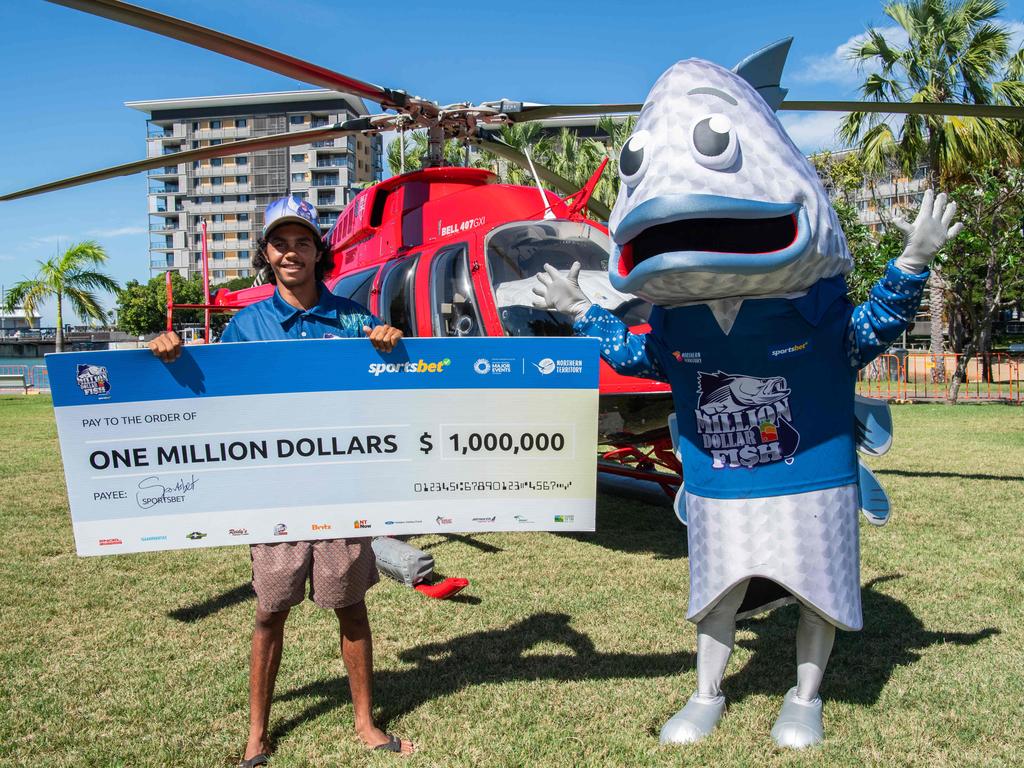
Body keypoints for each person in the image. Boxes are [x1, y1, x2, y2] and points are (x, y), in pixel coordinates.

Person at [149, 196, 413, 764]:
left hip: (343, 486)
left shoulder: (354, 320)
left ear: (319, 250)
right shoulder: (246, 325)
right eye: (279, 243)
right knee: (270, 609)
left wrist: (390, 348)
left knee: (351, 606)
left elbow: (390, 393)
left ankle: (366, 723)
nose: (290, 252)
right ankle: (257, 734)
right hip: (274, 491)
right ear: (266, 255)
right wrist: (168, 360)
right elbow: (213, 401)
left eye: (301, 242)